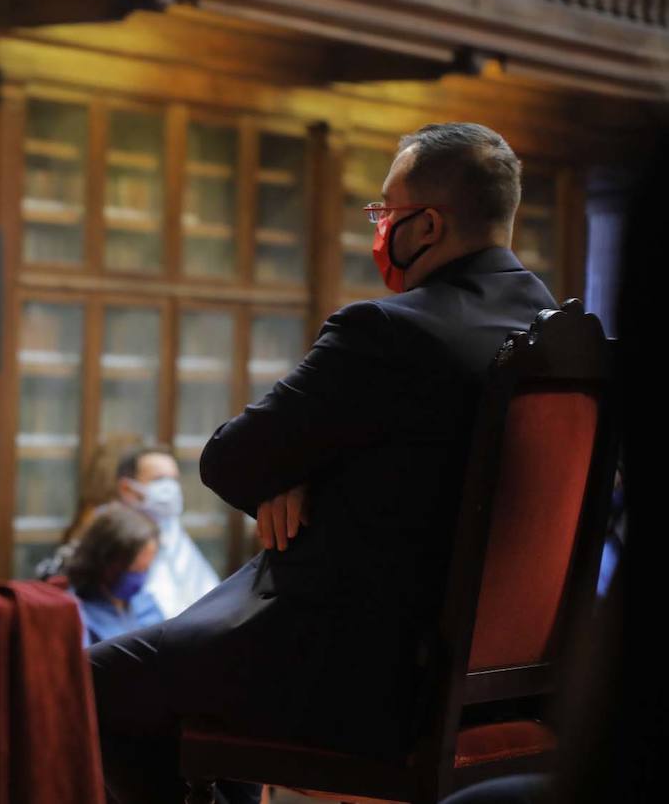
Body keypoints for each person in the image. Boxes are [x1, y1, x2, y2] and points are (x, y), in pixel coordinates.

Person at [89, 123, 556, 804]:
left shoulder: (391, 333)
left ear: (425, 226)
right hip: (494, 678)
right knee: (187, 684)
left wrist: (298, 465)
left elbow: (232, 459)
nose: (378, 229)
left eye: (384, 212)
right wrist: (307, 466)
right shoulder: (557, 338)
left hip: (350, 668)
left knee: (83, 684)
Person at [37, 437, 220, 618]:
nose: (170, 489)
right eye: (159, 480)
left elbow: (206, 590)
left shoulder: (171, 527)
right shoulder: (107, 530)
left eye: (174, 479)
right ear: (127, 489)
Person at [64, 504, 164, 647]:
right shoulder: (77, 614)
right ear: (104, 560)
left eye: (145, 569)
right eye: (133, 570)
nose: (140, 578)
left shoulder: (144, 603)